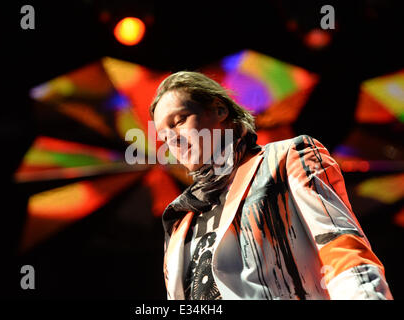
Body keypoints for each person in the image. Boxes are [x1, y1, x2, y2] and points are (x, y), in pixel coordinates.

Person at [150, 71, 393, 300]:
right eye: (164, 135)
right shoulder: (180, 218)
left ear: (220, 110)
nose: (173, 139)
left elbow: (341, 248)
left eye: (179, 120)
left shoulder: (285, 159)